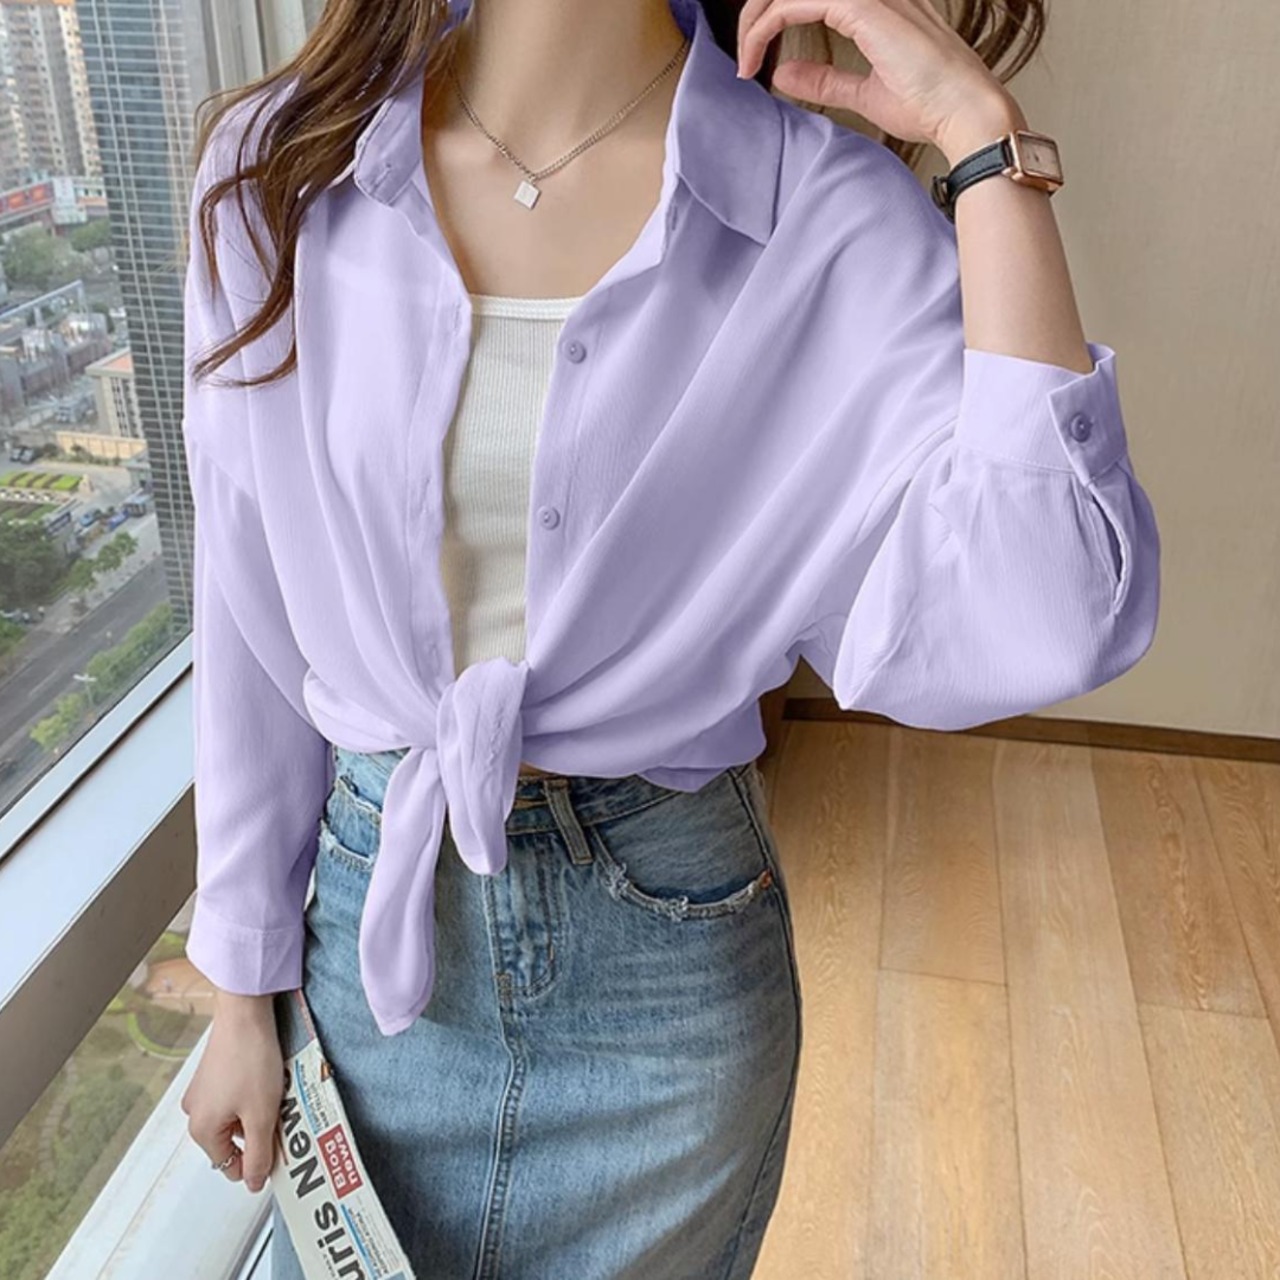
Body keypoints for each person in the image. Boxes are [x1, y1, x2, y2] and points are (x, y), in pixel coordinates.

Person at [178, 0, 1161, 1275]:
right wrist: (239, 988)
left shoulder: (823, 215)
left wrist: (984, 145)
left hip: (665, 976)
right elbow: (246, 607)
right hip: (371, 956)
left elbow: (1050, 607)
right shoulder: (283, 164)